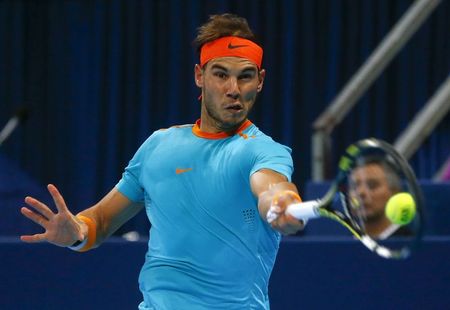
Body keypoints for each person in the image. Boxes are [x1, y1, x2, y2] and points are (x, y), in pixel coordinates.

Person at [20, 14, 305, 309]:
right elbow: (101, 220)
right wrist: (76, 233)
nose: (233, 88)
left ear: (259, 81)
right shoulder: (158, 146)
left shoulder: (264, 151)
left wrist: (281, 203)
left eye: (245, 76)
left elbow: (271, 187)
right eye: (220, 74)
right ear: (199, 75)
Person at [349, 156, 412, 240]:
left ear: (394, 193)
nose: (361, 193)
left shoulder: (411, 245)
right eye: (355, 186)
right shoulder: (340, 247)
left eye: (372, 185)